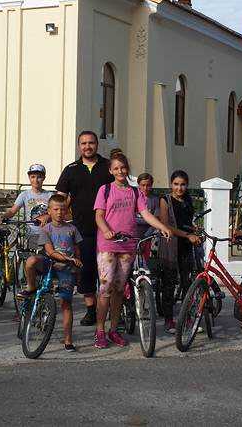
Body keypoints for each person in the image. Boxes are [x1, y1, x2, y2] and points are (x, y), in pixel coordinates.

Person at [93, 152, 172, 348]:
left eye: (123, 167)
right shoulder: (105, 190)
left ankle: (114, 330)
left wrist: (162, 226)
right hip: (108, 244)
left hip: (129, 244)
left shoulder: (135, 192)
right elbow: (99, 216)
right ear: (111, 171)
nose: (120, 171)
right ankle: (100, 330)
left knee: (120, 289)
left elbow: (145, 214)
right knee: (106, 287)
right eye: (116, 168)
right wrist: (107, 231)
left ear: (127, 169)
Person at [56, 130, 114, 326]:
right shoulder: (71, 169)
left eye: (91, 143)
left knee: (108, 272)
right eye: (83, 143)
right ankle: (91, 310)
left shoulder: (108, 167)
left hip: (108, 228)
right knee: (87, 271)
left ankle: (116, 312)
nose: (87, 146)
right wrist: (48, 215)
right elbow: (60, 198)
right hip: (83, 230)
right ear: (79, 146)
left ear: (97, 144)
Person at [18, 194, 83, 352]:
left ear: (67, 211)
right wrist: (68, 258)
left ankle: (68, 340)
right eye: (55, 209)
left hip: (67, 268)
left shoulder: (72, 229)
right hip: (49, 263)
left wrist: (77, 266)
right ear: (49, 211)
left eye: (63, 209)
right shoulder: (45, 229)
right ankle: (31, 287)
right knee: (31, 261)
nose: (59, 212)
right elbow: (50, 251)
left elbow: (77, 250)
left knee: (66, 304)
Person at [156, 170, 204, 334]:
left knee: (187, 284)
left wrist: (194, 230)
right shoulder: (165, 200)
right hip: (170, 245)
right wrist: (187, 235)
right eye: (176, 184)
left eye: (183, 184)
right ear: (171, 184)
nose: (179, 188)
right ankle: (169, 321)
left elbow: (187, 222)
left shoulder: (188, 200)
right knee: (169, 284)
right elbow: (165, 225)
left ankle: (187, 318)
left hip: (186, 246)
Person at [0, 164, 52, 250]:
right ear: (29, 178)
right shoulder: (24, 195)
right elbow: (12, 211)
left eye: (39, 177)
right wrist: (2, 216)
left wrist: (48, 216)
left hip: (48, 232)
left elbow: (56, 211)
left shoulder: (49, 195)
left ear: (44, 178)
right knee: (33, 257)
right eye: (33, 177)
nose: (36, 180)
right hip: (32, 233)